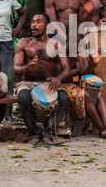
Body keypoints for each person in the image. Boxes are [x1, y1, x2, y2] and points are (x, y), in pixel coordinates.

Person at [13, 13, 71, 145]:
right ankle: (33, 133)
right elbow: (15, 69)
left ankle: (48, 133)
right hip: (26, 82)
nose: (34, 25)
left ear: (47, 26)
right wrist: (27, 67)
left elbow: (67, 68)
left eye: (38, 22)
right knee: (23, 96)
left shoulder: (55, 44)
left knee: (63, 97)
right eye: (33, 22)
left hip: (47, 82)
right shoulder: (24, 43)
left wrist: (59, 78)